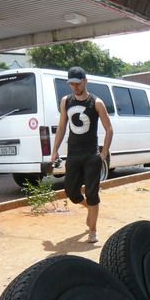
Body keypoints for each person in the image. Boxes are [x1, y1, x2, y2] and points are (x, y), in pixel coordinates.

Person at [51, 66, 113, 243]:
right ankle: (89, 209)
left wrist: (103, 153)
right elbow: (62, 126)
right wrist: (55, 150)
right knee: (71, 192)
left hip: (91, 156)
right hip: (73, 155)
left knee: (92, 194)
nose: (75, 87)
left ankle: (93, 229)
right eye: (71, 84)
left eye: (77, 83)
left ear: (85, 81)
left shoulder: (96, 103)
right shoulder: (66, 101)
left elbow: (109, 129)